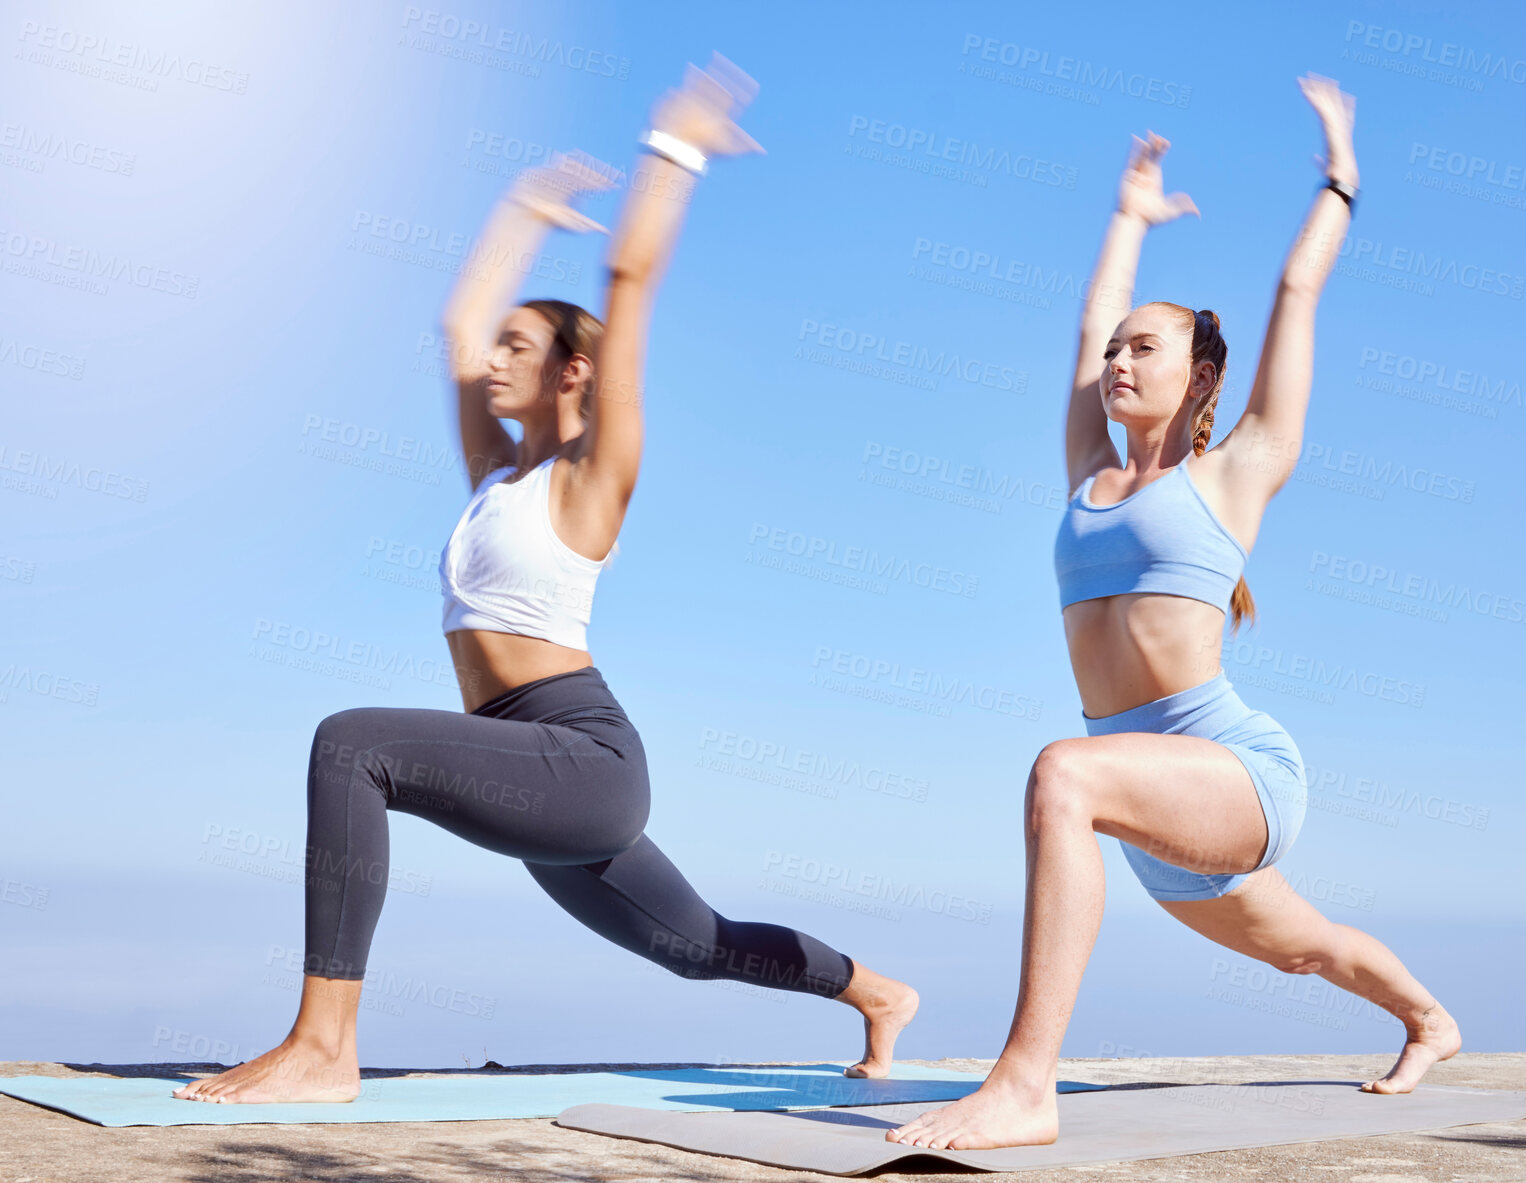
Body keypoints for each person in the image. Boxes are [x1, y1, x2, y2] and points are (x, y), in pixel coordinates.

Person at [173, 57, 917, 1105]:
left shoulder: (591, 477)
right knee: (693, 946)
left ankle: (322, 1047)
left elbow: (629, 285)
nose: (492, 361)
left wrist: (675, 148)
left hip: (578, 755)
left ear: (575, 370)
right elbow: (454, 332)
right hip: (528, 758)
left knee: (352, 744)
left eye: (520, 347)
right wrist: (521, 207)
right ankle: (879, 992)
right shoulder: (496, 476)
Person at [888, 74, 1459, 1151]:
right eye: (1113, 350)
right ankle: (1430, 1018)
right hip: (1149, 806)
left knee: (1060, 770)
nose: (1114, 361)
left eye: (1140, 348)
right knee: (1304, 947)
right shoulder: (1083, 473)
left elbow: (1296, 294)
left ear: (1201, 377)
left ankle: (1023, 1085)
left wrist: (1340, 174)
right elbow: (1082, 328)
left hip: (1229, 769)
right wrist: (1127, 219)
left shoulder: (1237, 472)